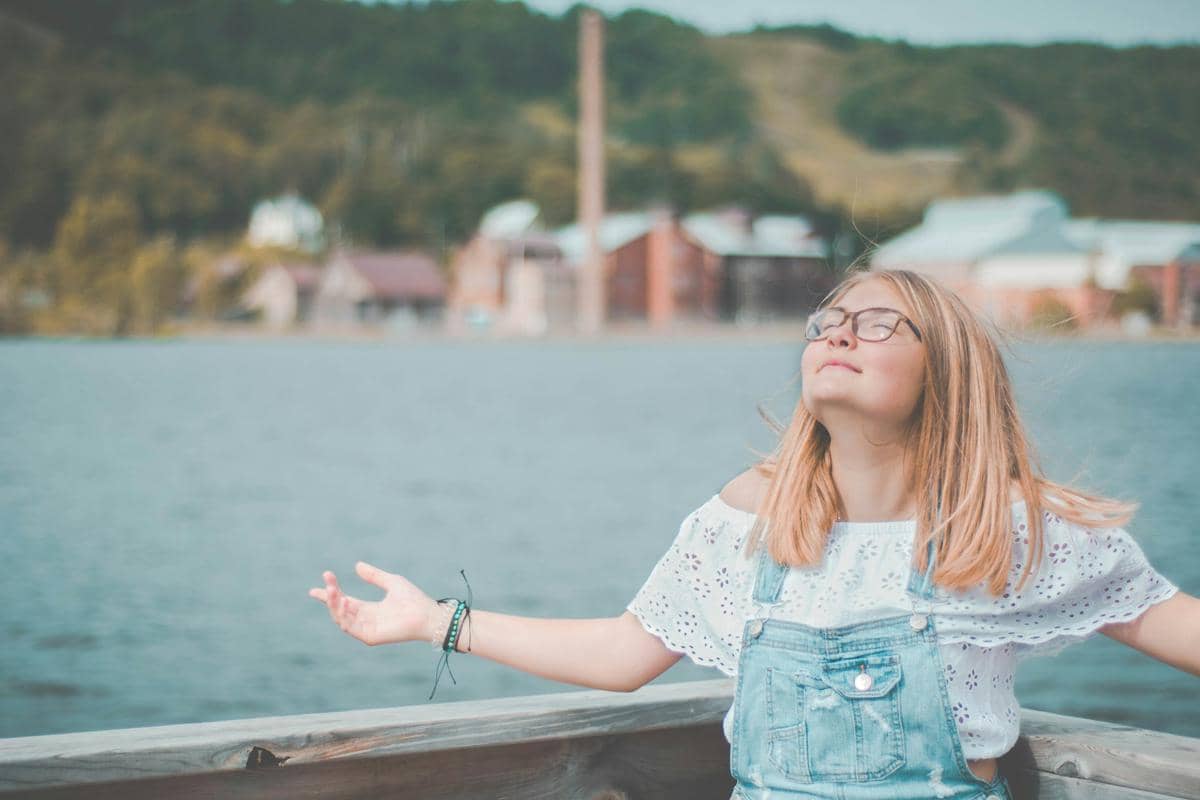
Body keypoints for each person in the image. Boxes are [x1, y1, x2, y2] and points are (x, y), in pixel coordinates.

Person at [308, 268, 1199, 799]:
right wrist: (436, 621)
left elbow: (1174, 626)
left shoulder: (1001, 529)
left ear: (948, 371)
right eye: (828, 323)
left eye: (878, 324)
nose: (840, 334)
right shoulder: (749, 522)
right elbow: (623, 654)